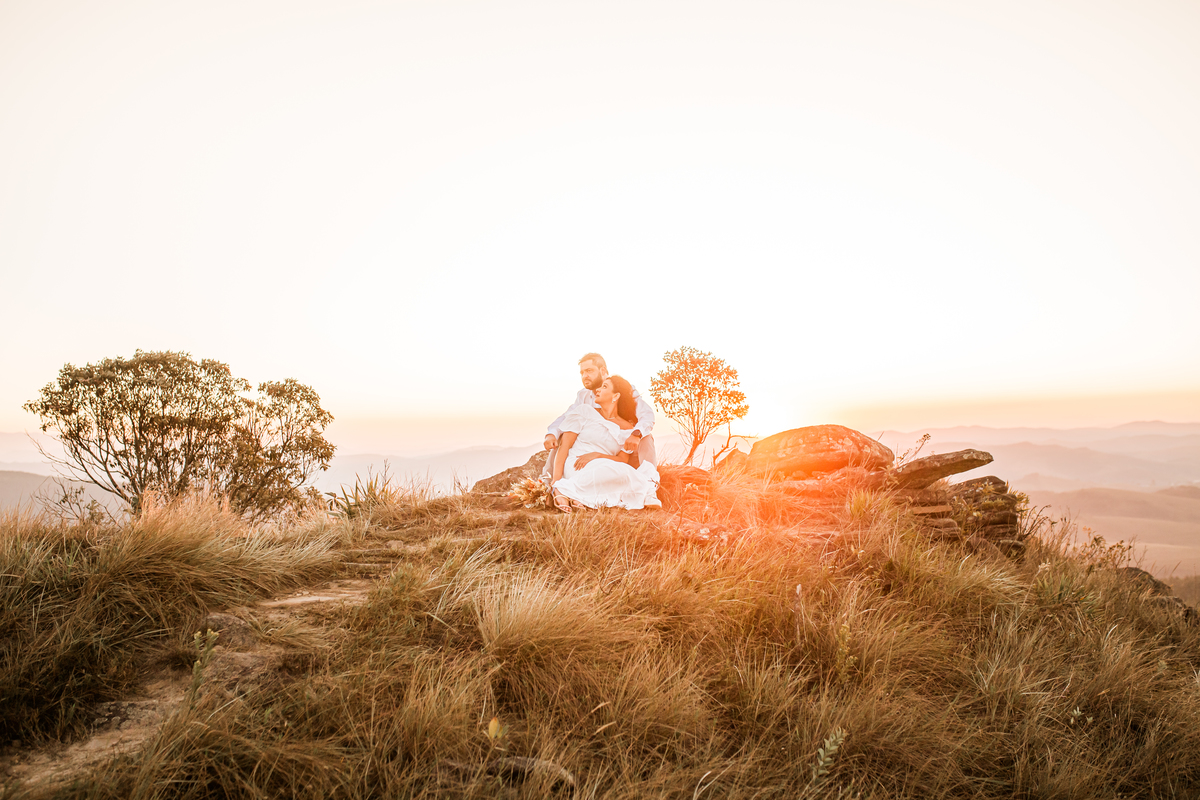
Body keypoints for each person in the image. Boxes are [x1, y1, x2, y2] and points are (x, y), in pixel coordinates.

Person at [550, 375, 661, 512]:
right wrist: (556, 478)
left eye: (604, 386)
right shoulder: (584, 412)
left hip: (605, 464)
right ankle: (560, 488)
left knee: (624, 472)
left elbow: (621, 459)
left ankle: (575, 494)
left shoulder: (627, 428)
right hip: (577, 463)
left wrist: (596, 455)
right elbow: (564, 447)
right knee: (621, 474)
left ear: (616, 396)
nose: (598, 390)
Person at [544, 352, 657, 465]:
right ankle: (547, 479)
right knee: (563, 433)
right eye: (582, 372)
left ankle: (650, 479)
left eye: (589, 371)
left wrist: (636, 434)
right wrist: (551, 434)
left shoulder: (622, 388)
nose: (585, 376)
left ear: (603, 371)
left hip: (624, 449)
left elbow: (647, 415)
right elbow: (567, 417)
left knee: (646, 437)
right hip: (598, 448)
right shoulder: (583, 396)